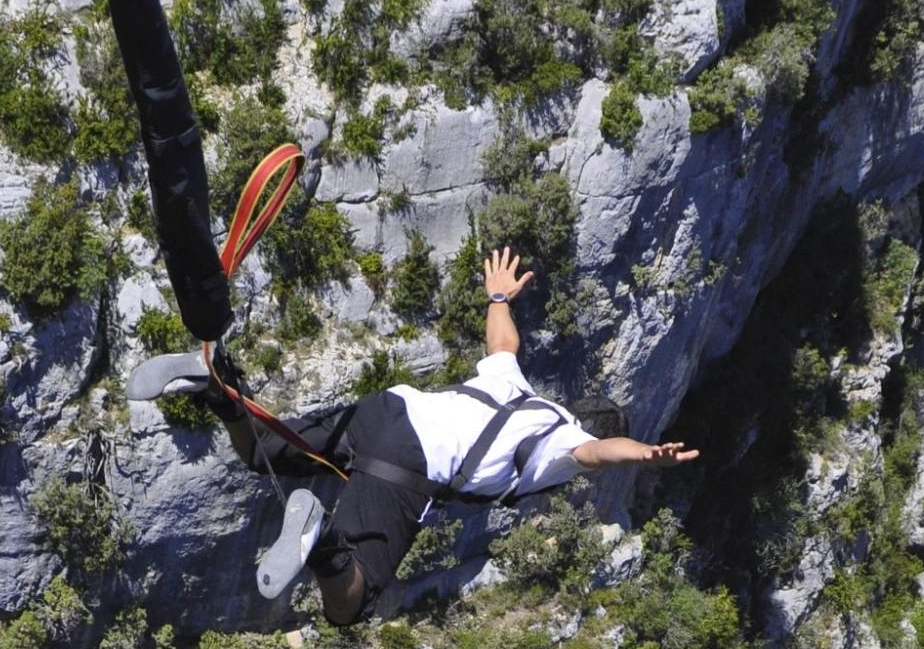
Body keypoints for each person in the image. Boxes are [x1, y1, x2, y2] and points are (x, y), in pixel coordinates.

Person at [211, 247, 699, 625]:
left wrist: (499, 297)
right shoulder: (563, 448)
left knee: (260, 451)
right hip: (409, 460)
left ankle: (213, 388)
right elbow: (597, 453)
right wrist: (643, 455)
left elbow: (503, 342)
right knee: (350, 607)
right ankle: (322, 544)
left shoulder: (519, 389)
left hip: (387, 409)